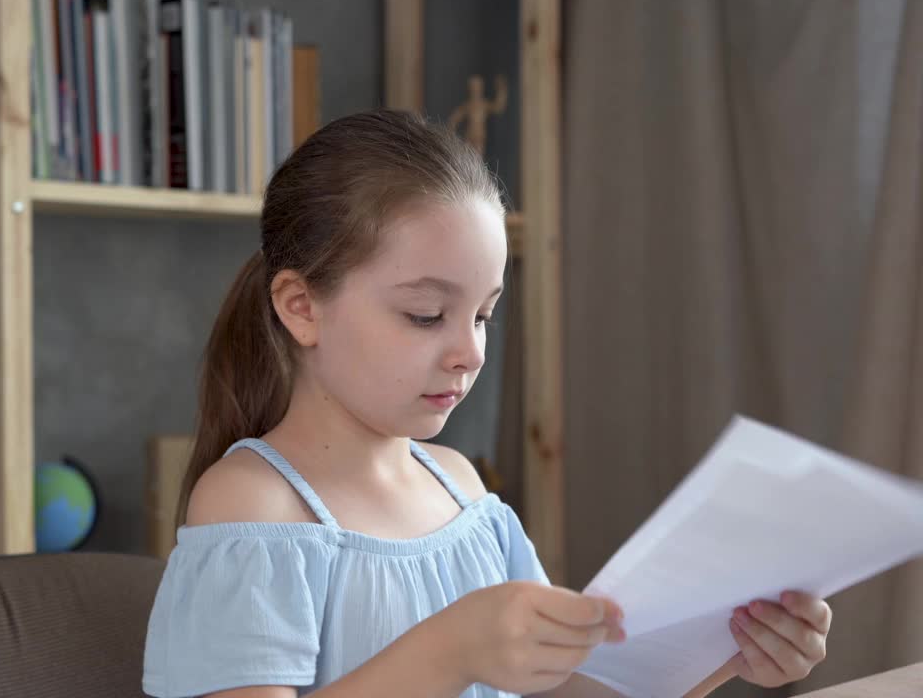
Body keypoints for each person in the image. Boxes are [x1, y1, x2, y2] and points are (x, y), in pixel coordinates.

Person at [142, 109, 832, 698]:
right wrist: (452, 651)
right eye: (425, 314)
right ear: (301, 307)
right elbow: (464, 655)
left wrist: (722, 648)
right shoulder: (252, 504)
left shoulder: (462, 491)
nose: (469, 352)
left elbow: (562, 687)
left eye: (482, 316)